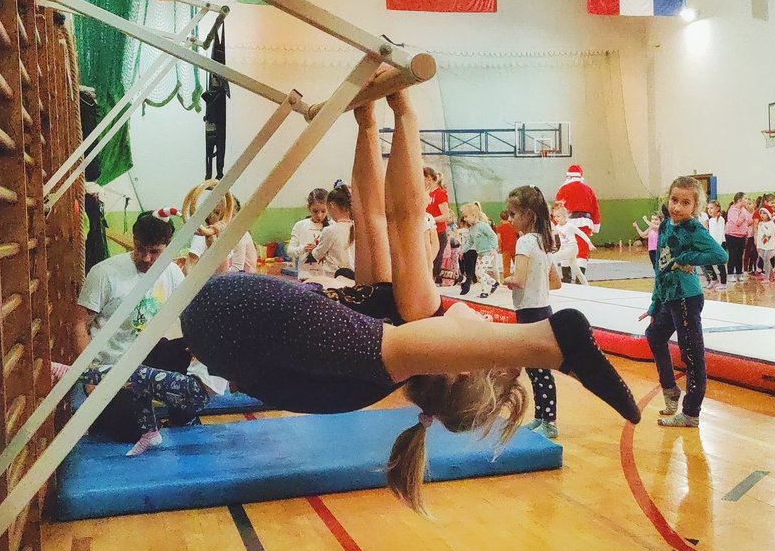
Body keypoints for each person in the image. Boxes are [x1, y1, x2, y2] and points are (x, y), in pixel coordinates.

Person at [181, 85, 640, 513]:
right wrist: (366, 123)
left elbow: (404, 217)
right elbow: (370, 216)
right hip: (220, 324)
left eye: (487, 356)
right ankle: (552, 345)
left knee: (425, 315)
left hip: (230, 316)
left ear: (457, 364)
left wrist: (405, 110)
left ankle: (553, 345)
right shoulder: (380, 329)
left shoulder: (407, 333)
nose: (480, 329)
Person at [72, 211, 210, 452]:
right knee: (130, 431)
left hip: (148, 361)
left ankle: (182, 417)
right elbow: (79, 325)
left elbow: (190, 317)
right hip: (113, 368)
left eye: (154, 252)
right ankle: (122, 413)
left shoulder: (172, 272)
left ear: (168, 247)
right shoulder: (104, 273)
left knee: (187, 348)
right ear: (134, 241)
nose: (146, 258)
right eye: (140, 249)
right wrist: (90, 377)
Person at [639, 176, 727, 429]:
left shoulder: (694, 229)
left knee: (692, 355)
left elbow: (720, 254)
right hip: (669, 297)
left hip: (687, 298)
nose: (677, 207)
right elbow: (660, 268)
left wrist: (687, 258)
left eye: (685, 203)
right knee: (654, 335)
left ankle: (691, 413)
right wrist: (655, 303)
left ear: (695, 206)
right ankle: (670, 389)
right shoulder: (666, 225)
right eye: (674, 200)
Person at [504, 185, 561, 440]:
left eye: (513, 214)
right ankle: (542, 417)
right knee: (538, 370)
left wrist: (506, 279)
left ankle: (549, 420)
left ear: (529, 215)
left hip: (529, 313)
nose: (510, 219)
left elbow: (519, 279)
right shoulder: (543, 242)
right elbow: (555, 282)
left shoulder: (525, 241)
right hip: (543, 310)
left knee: (538, 371)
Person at [307, 181, 356, 279]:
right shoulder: (356, 228)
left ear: (332, 205)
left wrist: (313, 250)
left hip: (335, 279)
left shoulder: (330, 230)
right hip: (354, 278)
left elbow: (317, 255)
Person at [458, 202, 500, 298]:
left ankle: (484, 291)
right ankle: (494, 283)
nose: (465, 219)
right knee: (478, 272)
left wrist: (493, 248)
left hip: (488, 253)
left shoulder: (482, 226)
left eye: (466, 216)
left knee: (480, 272)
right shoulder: (472, 229)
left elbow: (492, 235)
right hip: (480, 254)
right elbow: (470, 242)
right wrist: (462, 250)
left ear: (474, 215)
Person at [555, 163, 601, 246]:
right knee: (583, 248)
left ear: (568, 177)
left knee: (568, 247)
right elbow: (595, 209)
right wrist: (596, 224)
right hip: (585, 223)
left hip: (567, 223)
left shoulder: (563, 189)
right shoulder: (589, 190)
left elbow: (558, 209)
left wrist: (555, 225)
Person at [288, 189, 329, 276]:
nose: (319, 215)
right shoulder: (300, 225)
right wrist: (304, 248)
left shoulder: (332, 226)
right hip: (305, 275)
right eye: (315, 211)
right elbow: (290, 251)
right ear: (309, 208)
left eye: (323, 211)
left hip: (326, 276)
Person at [424, 165, 451, 281]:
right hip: (428, 233)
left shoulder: (440, 194)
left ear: (428, 178)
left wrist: (430, 220)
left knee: (435, 266)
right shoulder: (427, 194)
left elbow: (446, 216)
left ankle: (461, 278)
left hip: (439, 233)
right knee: (428, 264)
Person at [724, 192, 751, 281]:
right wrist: (744, 215)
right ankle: (730, 274)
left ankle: (739, 273)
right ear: (739, 200)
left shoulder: (743, 209)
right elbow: (737, 222)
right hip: (732, 236)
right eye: (745, 198)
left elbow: (749, 221)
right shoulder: (733, 209)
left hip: (741, 236)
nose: (747, 200)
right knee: (733, 255)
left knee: (740, 255)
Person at [702, 200, 727, 288]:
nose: (709, 210)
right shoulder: (711, 220)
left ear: (717, 208)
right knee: (706, 262)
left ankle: (723, 283)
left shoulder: (720, 219)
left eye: (711, 208)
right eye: (708, 208)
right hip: (712, 245)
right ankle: (714, 279)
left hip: (719, 244)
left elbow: (720, 233)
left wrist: (717, 246)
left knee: (720, 265)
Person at [755, 206, 775, 283]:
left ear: (768, 214)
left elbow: (768, 233)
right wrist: (758, 245)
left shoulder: (771, 223)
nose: (762, 215)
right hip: (762, 246)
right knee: (765, 260)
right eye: (761, 213)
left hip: (769, 246)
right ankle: (772, 275)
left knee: (767, 261)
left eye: (764, 213)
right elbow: (759, 236)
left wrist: (762, 227)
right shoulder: (760, 223)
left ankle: (767, 278)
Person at [497, 207, 518, 281]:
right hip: (514, 247)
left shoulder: (499, 227)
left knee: (506, 266)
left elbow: (499, 239)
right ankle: (518, 277)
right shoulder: (513, 226)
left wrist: (499, 247)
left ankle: (507, 280)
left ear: (501, 218)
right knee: (517, 264)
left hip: (505, 248)